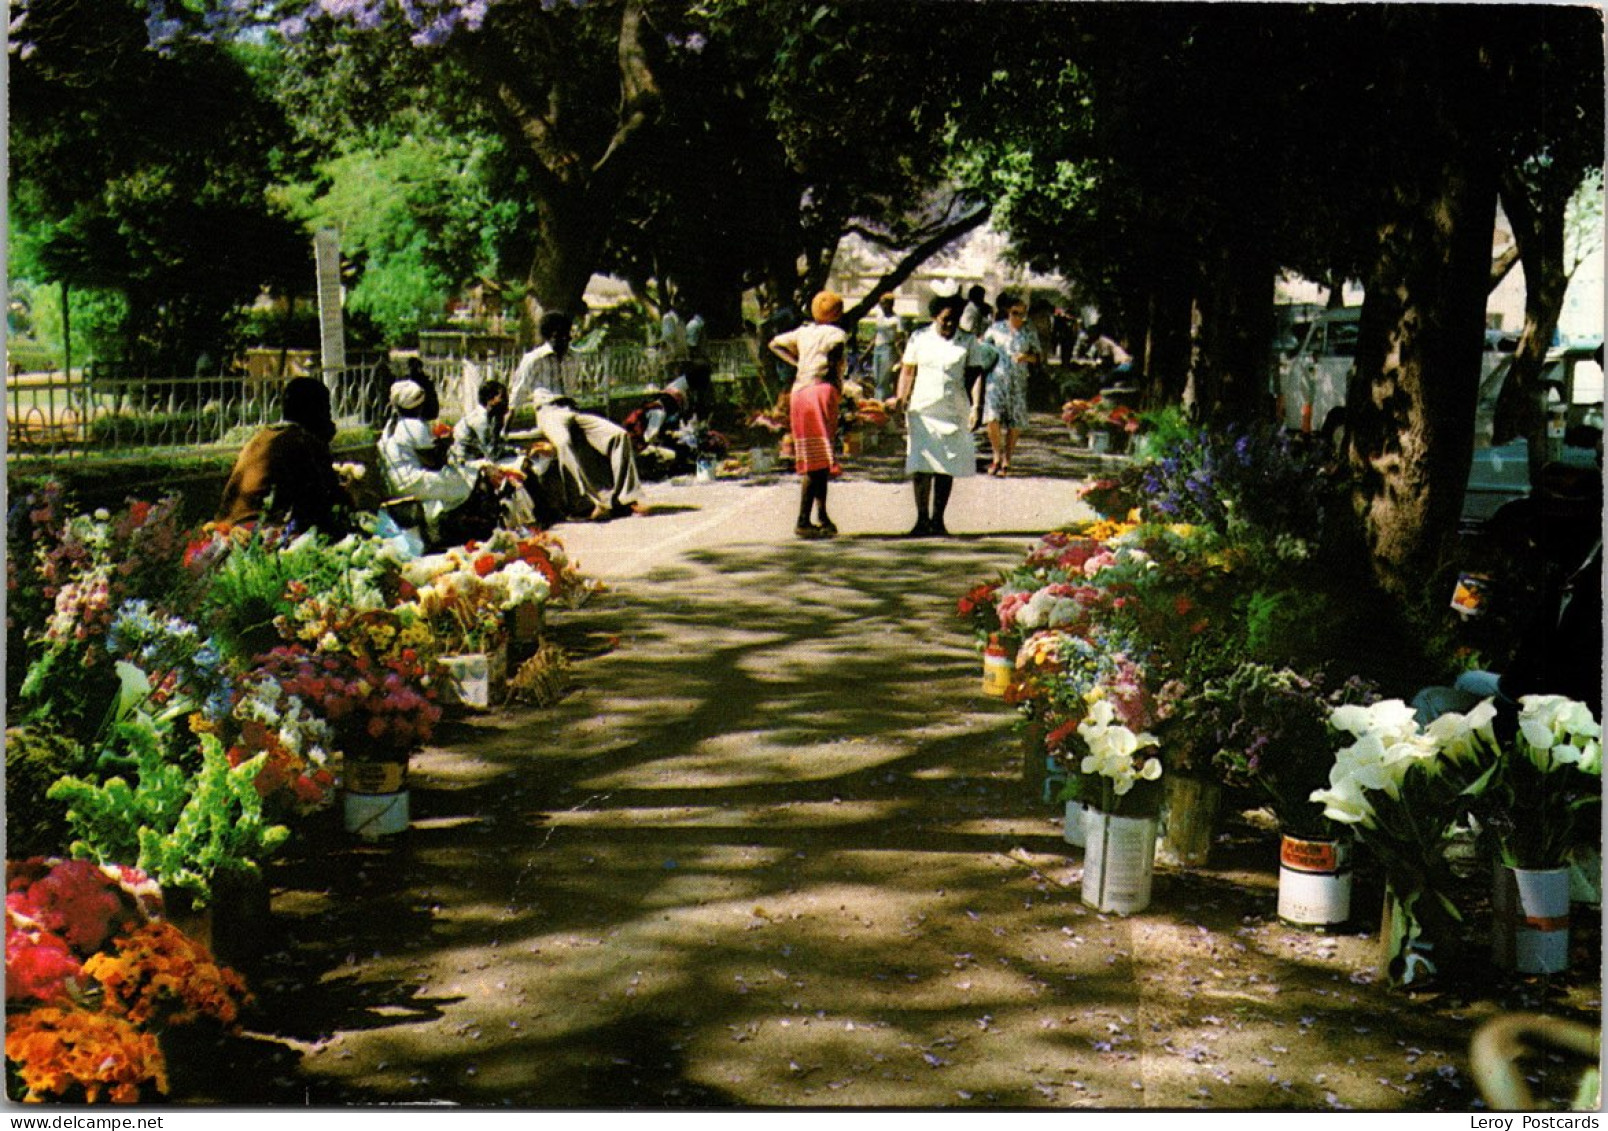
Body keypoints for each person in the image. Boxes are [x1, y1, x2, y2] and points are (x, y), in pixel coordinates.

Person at [509, 311, 644, 521]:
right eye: (561, 336)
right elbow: (516, 395)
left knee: (618, 435)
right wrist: (503, 429)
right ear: (550, 335)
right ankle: (581, 504)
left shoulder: (574, 357)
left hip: (572, 410)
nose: (566, 339)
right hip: (548, 411)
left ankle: (625, 498)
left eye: (568, 335)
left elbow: (572, 391)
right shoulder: (533, 359)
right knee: (563, 442)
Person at [895, 294, 991, 537]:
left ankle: (938, 520)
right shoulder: (919, 338)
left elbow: (977, 375)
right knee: (921, 464)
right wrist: (901, 400)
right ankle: (921, 519)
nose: (950, 324)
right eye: (945, 319)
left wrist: (977, 407)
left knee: (945, 465)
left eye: (955, 319)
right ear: (935, 316)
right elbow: (907, 371)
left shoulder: (968, 341)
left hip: (953, 410)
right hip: (922, 409)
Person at [217, 376, 353, 536]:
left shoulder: (263, 437)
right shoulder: (302, 441)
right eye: (327, 412)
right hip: (257, 536)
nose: (330, 420)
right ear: (313, 412)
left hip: (226, 530)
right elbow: (324, 503)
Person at [379, 379, 497, 546]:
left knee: (459, 475)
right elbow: (434, 462)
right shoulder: (415, 426)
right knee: (468, 478)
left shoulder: (391, 425)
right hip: (413, 481)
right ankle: (456, 529)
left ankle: (444, 525)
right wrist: (445, 444)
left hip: (395, 481)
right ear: (419, 405)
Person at [770, 291, 848, 538]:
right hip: (821, 392)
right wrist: (837, 386)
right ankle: (804, 519)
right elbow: (834, 360)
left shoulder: (804, 332)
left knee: (815, 457)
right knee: (819, 459)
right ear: (838, 313)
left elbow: (774, 343)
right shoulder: (836, 334)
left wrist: (797, 362)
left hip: (800, 392)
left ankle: (822, 515)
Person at [980, 292, 1042, 477]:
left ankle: (1008, 458)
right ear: (1008, 311)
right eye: (1015, 313)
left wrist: (1026, 357)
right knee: (992, 418)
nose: (1018, 317)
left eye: (1022, 314)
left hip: (1018, 381)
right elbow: (984, 351)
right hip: (996, 379)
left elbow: (1038, 357)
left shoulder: (1029, 332)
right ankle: (996, 456)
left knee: (1015, 422)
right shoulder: (995, 329)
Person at [453, 378, 515, 465]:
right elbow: (492, 454)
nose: (506, 401)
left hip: (477, 457)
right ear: (490, 400)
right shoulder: (480, 421)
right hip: (467, 463)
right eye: (502, 397)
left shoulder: (490, 417)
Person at [869, 293, 902, 402]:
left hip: (888, 349)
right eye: (880, 304)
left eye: (883, 303)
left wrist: (902, 356)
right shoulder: (879, 316)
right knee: (876, 379)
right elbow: (876, 335)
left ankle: (881, 403)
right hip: (877, 349)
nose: (881, 306)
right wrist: (866, 352)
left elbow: (899, 339)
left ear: (891, 304)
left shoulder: (896, 319)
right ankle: (879, 402)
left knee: (883, 380)